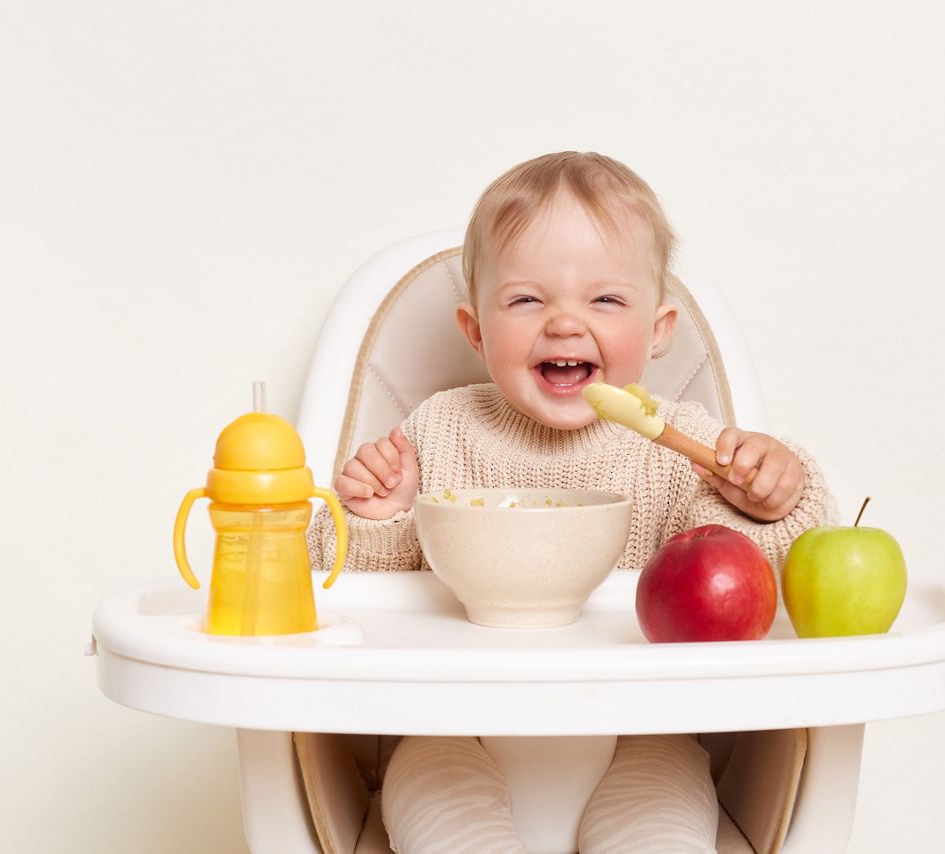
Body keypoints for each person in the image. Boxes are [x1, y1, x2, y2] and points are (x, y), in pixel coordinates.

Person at [309, 151, 833, 853]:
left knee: (662, 827)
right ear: (475, 330)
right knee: (436, 798)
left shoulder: (684, 449)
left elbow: (769, 582)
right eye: (527, 300)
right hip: (455, 724)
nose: (564, 323)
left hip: (644, 731)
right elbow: (329, 591)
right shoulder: (437, 431)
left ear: (658, 329)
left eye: (606, 300)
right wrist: (381, 517)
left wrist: (776, 500)